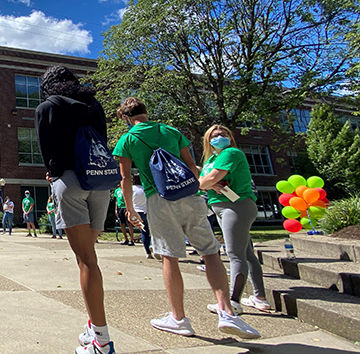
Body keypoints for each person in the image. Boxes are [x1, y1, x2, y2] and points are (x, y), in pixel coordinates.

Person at [113, 97, 260, 339]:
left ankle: (178, 318)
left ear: (128, 118)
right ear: (146, 112)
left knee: (169, 257)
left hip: (159, 198)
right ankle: (226, 312)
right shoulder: (170, 130)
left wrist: (130, 209)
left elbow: (126, 178)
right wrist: (200, 191)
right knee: (210, 252)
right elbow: (192, 165)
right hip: (189, 193)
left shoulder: (127, 139)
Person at [35, 66, 114, 354]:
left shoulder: (47, 107)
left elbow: (48, 153)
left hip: (70, 183)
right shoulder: (93, 105)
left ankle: (102, 342)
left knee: (86, 261)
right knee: (90, 258)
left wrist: (52, 173)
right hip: (100, 182)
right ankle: (94, 326)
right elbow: (102, 141)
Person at [199, 125, 271, 313]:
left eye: (223, 134)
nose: (219, 137)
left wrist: (204, 183)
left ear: (230, 137)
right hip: (221, 207)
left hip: (235, 207)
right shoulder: (212, 158)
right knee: (246, 253)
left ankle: (232, 302)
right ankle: (260, 297)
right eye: (214, 135)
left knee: (234, 253)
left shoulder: (231, 153)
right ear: (208, 141)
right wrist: (207, 183)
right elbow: (206, 180)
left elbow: (211, 178)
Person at [131, 176, 152, 259]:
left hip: (136, 211)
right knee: (150, 230)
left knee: (143, 231)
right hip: (146, 210)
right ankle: (152, 245)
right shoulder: (144, 189)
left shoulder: (132, 189)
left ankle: (148, 252)